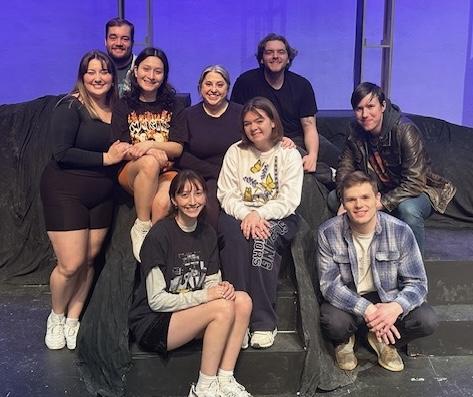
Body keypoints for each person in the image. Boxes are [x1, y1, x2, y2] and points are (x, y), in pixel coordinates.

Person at [128, 170, 253, 397]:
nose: (192, 201)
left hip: (188, 312)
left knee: (242, 301)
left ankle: (225, 379)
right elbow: (156, 301)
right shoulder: (159, 235)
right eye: (184, 195)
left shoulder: (207, 233)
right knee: (223, 307)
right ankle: (204, 388)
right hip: (155, 321)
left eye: (198, 193)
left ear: (206, 197)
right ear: (174, 200)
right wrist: (208, 296)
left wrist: (222, 289)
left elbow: (212, 282)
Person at [40, 50, 130, 350]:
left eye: (104, 72)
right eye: (91, 72)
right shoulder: (70, 106)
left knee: (90, 261)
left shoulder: (117, 109)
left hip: (102, 195)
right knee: (70, 264)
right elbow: (61, 152)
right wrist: (107, 157)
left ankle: (73, 319)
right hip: (66, 191)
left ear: (111, 77)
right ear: (82, 76)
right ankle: (56, 315)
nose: (98, 77)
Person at [318, 171, 438, 372]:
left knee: (426, 320)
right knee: (333, 322)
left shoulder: (400, 230)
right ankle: (347, 341)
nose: (359, 205)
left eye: (365, 197)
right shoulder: (328, 232)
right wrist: (368, 310)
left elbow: (418, 283)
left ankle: (381, 339)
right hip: (350, 300)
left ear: (377, 199)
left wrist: (395, 308)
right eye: (351, 200)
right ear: (343, 203)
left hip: (386, 298)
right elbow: (329, 285)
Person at [217, 97, 303, 349]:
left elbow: (289, 199)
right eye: (247, 123)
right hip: (240, 215)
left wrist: (259, 215)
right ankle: (238, 319)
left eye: (259, 120)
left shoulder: (288, 153)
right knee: (233, 239)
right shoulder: (236, 151)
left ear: (273, 122)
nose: (253, 127)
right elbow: (226, 193)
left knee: (262, 241)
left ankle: (264, 321)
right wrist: (247, 215)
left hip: (279, 216)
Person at [333, 82, 456, 253]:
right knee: (335, 197)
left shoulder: (404, 130)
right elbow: (344, 170)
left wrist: (380, 202)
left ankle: (414, 273)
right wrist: (344, 199)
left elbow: (415, 182)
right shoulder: (355, 130)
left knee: (408, 210)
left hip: (420, 190)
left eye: (370, 106)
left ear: (383, 106)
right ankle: (358, 256)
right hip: (382, 189)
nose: (365, 114)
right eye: (359, 109)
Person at [111, 47, 186, 261]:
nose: (151, 76)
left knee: (163, 202)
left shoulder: (175, 105)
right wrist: (150, 153)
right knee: (150, 164)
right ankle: (142, 226)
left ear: (164, 76)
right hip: (132, 171)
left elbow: (178, 147)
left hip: (167, 172)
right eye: (146, 69)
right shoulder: (123, 104)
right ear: (135, 71)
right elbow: (120, 148)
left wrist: (150, 145)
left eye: (158, 71)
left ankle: (155, 249)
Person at [231, 33, 321, 173]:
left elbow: (309, 126)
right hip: (263, 141)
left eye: (281, 52)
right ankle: (327, 173)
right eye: (269, 52)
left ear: (288, 59)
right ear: (261, 59)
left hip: (298, 138)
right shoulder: (245, 82)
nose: (275, 56)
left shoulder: (302, 85)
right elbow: (238, 123)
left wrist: (313, 155)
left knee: (337, 157)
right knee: (304, 166)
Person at [176, 65, 243, 229]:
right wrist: (215, 172)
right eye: (208, 84)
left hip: (237, 176)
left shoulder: (241, 113)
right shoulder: (188, 115)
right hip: (203, 177)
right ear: (200, 88)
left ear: (227, 88)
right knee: (209, 208)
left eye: (220, 85)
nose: (214, 89)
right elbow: (182, 155)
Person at [105, 17, 136, 96]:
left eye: (125, 39)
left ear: (132, 43)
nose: (118, 43)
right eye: (113, 38)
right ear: (105, 41)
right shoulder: (95, 69)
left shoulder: (143, 69)